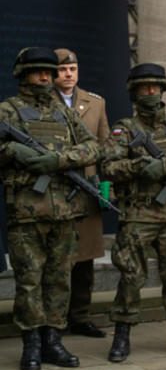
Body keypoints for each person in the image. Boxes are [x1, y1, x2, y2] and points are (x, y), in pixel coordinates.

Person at [0, 47, 100, 370]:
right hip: (27, 212)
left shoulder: (64, 113)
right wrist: (12, 150)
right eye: (38, 72)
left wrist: (59, 160)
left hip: (66, 211)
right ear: (23, 75)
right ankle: (31, 344)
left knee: (59, 280)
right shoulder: (8, 111)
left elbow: (94, 147)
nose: (45, 77)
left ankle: (53, 341)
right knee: (29, 280)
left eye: (49, 72)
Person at [102, 64, 166, 361]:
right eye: (144, 88)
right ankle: (122, 334)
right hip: (137, 215)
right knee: (132, 276)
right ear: (134, 92)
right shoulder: (124, 129)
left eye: (155, 87)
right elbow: (108, 166)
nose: (150, 92)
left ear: (162, 91)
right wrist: (140, 167)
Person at [53, 48, 111, 338]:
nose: (68, 75)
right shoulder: (42, 103)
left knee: (85, 258)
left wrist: (105, 189)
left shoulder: (95, 104)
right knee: (57, 258)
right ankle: (55, 318)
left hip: (86, 190)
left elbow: (106, 149)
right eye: (63, 70)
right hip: (55, 190)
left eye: (73, 69)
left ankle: (80, 316)